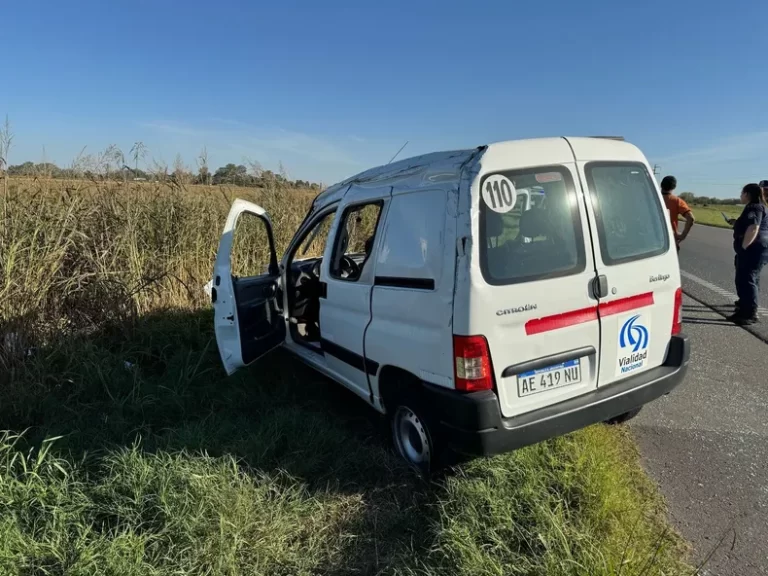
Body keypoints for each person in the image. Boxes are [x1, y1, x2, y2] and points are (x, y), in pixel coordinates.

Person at [727, 183, 768, 325]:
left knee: (747, 279)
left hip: (753, 249)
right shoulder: (760, 207)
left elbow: (753, 227)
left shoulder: (754, 207)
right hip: (759, 248)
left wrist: (743, 248)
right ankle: (743, 310)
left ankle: (749, 313)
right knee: (748, 279)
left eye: (742, 193)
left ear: (747, 194)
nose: (740, 196)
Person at [660, 176, 695, 250]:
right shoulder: (677, 201)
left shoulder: (651, 198)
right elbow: (690, 218)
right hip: (669, 239)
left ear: (661, 185)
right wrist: (683, 235)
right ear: (674, 187)